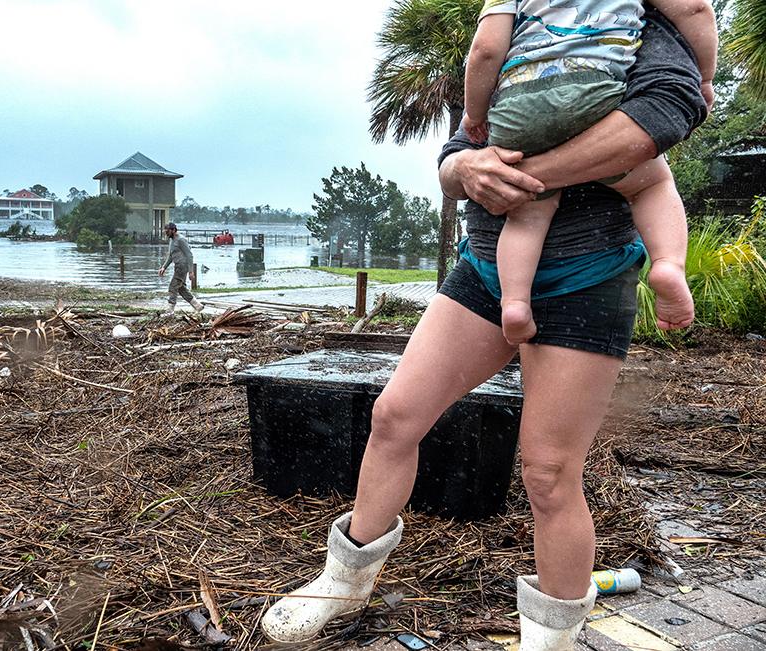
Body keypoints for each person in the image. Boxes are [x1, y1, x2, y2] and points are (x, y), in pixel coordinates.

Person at [261, 5, 707, 649]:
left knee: (549, 473)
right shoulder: (513, 19)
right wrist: (464, 172)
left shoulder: (643, 20)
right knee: (394, 418)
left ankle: (549, 639)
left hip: (587, 275)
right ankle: (343, 582)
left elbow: (658, 119)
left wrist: (524, 178)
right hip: (486, 267)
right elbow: (458, 151)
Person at [462, 0, 716, 344]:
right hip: (594, 92)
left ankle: (515, 303)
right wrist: (705, 77)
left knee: (526, 214)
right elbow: (695, 10)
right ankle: (668, 264)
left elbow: (486, 50)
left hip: (518, 107)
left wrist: (474, 114)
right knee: (651, 185)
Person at [157, 222, 203, 315]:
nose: (166, 232)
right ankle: (198, 305)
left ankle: (170, 310)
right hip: (177, 266)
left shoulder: (181, 240)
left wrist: (191, 271)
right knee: (181, 288)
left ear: (173, 230)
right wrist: (163, 267)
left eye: (168, 230)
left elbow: (189, 255)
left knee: (173, 287)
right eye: (165, 230)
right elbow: (170, 256)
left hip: (182, 267)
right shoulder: (172, 240)